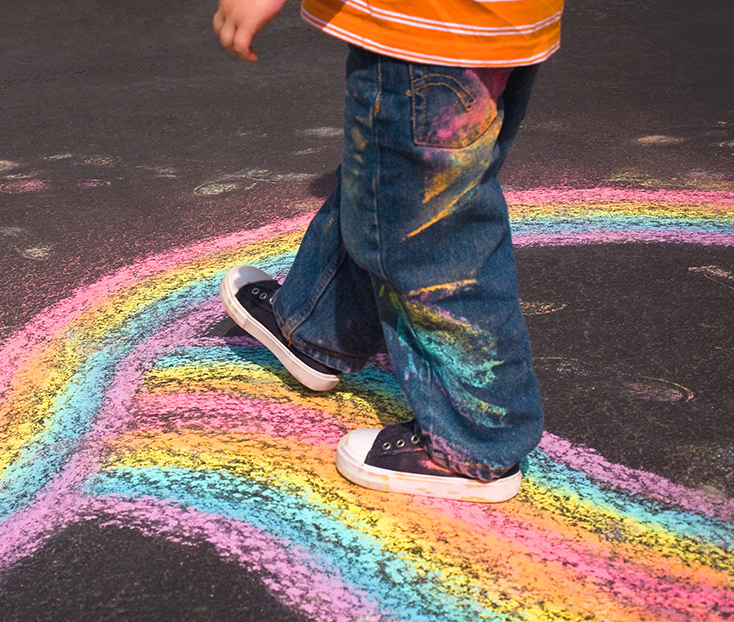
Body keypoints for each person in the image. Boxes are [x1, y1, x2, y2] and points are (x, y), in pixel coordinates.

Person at [214, 0, 563, 502]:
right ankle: (317, 329)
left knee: (433, 238)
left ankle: (476, 441)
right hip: (498, 25)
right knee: (386, 192)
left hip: (425, 34)